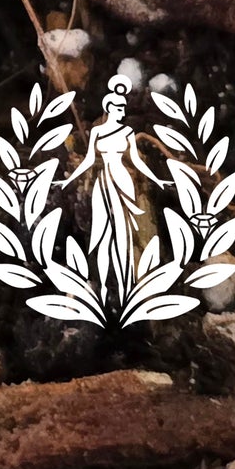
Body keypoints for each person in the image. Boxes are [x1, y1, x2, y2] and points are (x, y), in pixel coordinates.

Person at [61, 73, 166, 307]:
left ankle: (135, 279)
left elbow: (137, 163)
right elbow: (88, 161)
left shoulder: (128, 133)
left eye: (121, 108)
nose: (119, 112)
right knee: (101, 229)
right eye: (116, 108)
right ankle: (107, 279)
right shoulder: (97, 133)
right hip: (101, 182)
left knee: (129, 226)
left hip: (124, 180)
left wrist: (153, 179)